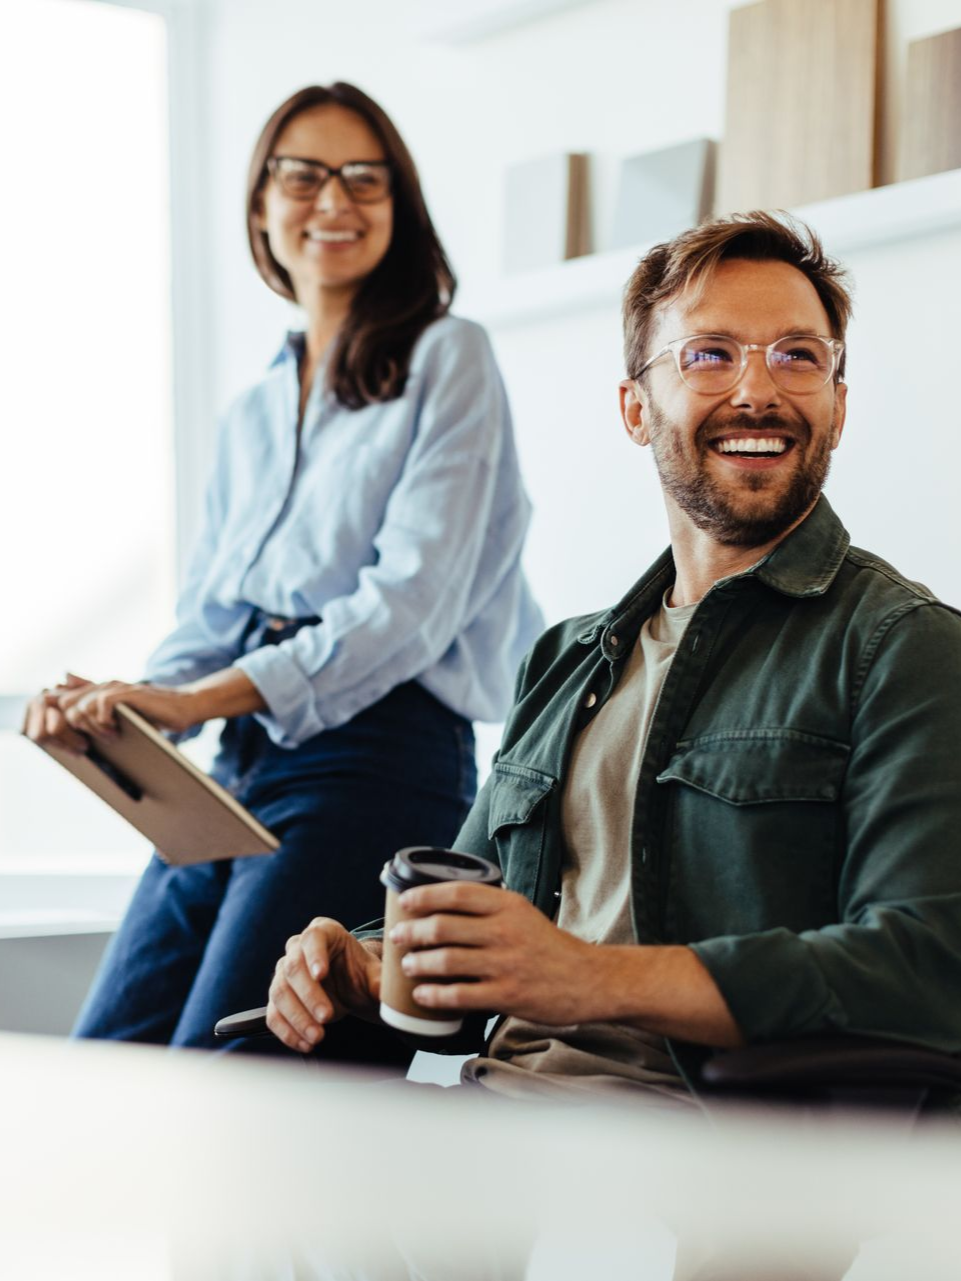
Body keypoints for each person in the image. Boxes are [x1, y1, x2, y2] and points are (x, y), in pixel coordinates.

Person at [264, 211, 961, 1112]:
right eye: (709, 354)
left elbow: (925, 966)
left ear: (837, 400)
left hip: (686, 1148)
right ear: (636, 408)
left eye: (798, 355)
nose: (760, 391)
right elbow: (474, 915)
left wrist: (589, 978)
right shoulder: (564, 657)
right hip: (483, 1111)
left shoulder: (903, 648)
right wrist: (363, 960)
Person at [22, 82, 541, 1050]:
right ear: (261, 204)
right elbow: (214, 610)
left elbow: (406, 612)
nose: (334, 201)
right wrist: (122, 704)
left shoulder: (449, 358)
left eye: (363, 177)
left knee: (226, 1075)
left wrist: (190, 703)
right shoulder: (253, 407)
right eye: (302, 175)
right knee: (106, 1057)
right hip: (241, 763)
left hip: (376, 761)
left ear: (401, 203)